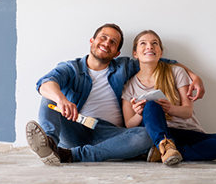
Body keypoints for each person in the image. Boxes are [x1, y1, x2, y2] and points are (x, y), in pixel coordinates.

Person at [25, 23, 205, 165]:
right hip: (76, 127)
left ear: (117, 52)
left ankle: (72, 156)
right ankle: (49, 144)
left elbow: (161, 60)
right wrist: (62, 100)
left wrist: (194, 76)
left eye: (113, 42)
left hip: (112, 133)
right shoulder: (71, 68)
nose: (106, 43)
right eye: (103, 38)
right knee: (50, 96)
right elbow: (45, 83)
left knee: (147, 135)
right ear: (92, 40)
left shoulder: (124, 66)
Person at [122, 30, 216, 166]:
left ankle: (174, 153)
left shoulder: (176, 72)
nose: (149, 46)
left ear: (160, 52)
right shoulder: (129, 85)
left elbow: (187, 112)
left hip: (187, 132)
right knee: (151, 105)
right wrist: (139, 114)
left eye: (154, 43)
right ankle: (166, 147)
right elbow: (128, 124)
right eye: (143, 43)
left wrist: (170, 108)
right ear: (135, 53)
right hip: (160, 133)